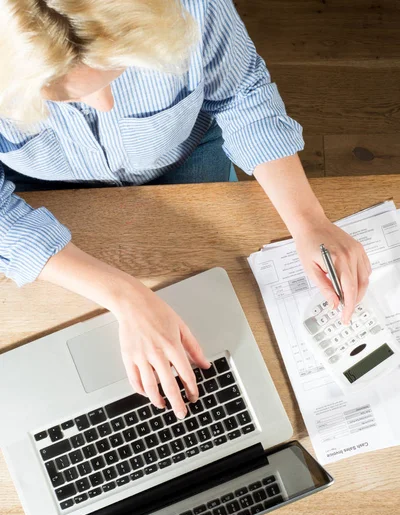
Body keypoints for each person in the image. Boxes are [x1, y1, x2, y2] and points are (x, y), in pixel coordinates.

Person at [0, 0, 371, 420]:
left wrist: (309, 220)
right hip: (41, 195)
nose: (104, 104)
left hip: (186, 159)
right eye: (67, 96)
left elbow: (241, 95)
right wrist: (126, 297)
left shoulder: (192, 5)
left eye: (121, 71)